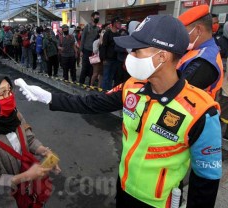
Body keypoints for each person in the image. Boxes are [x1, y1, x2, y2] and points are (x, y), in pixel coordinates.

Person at [16, 15, 222, 208]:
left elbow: (205, 182)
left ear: (162, 56)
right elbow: (91, 103)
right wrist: (48, 97)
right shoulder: (132, 86)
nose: (130, 55)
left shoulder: (202, 111)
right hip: (123, 190)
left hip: (160, 203)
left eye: (137, 50)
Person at [0, 74, 60, 208]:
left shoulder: (15, 116)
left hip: (29, 192)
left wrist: (44, 151)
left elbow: (28, 139)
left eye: (9, 91)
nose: (9, 97)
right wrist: (26, 176)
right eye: (2, 94)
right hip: (6, 201)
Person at [177, 5, 224, 99]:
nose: (181, 36)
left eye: (183, 32)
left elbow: (178, 91)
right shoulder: (196, 49)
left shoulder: (204, 60)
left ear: (198, 30)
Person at [79, 11, 100, 85]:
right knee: (84, 68)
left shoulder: (98, 29)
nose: (97, 19)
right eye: (96, 17)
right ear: (92, 17)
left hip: (94, 52)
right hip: (86, 51)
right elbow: (82, 39)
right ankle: (81, 84)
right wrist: (81, 51)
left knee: (92, 70)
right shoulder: (87, 27)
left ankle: (89, 85)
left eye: (98, 18)